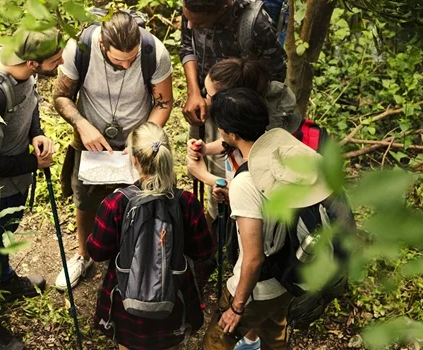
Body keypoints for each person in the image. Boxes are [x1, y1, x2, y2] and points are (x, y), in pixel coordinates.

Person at [52, 10, 175, 290]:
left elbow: (164, 103)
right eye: (120, 59)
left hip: (139, 139)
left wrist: (139, 139)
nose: (128, 63)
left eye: (132, 57)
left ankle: (140, 254)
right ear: (101, 46)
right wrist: (82, 125)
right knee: (85, 198)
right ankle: (83, 255)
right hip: (91, 138)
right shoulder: (79, 49)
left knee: (145, 197)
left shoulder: (154, 52)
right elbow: (61, 95)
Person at [0, 25, 64, 350]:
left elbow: (30, 105)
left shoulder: (27, 74)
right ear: (33, 62)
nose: (61, 64)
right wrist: (33, 164)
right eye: (56, 59)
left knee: (3, 237)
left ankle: (5, 280)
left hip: (14, 184)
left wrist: (37, 132)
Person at [86, 122, 215, 350]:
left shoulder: (115, 203)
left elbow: (96, 252)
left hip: (124, 297)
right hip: (174, 298)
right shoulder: (187, 203)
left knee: (127, 345)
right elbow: (204, 251)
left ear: (134, 160)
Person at [199, 88, 293, 350]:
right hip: (289, 273)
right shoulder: (282, 148)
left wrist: (237, 307)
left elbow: (253, 258)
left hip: (260, 286)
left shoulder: (246, 182)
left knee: (215, 342)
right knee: (274, 335)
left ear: (233, 134)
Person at [180, 0, 286, 219]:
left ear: (221, 10)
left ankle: (232, 223)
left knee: (232, 173)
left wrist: (226, 102)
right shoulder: (193, 6)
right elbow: (186, 45)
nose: (190, 26)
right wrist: (195, 93)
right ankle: (216, 220)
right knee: (215, 167)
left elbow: (274, 74)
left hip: (240, 113)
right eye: (186, 18)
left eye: (198, 23)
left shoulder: (253, 23)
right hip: (206, 100)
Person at [187, 57, 301, 204]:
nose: (205, 99)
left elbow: (251, 190)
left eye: (209, 95)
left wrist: (204, 176)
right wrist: (206, 149)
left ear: (232, 101)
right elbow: (231, 141)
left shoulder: (266, 149)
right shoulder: (249, 127)